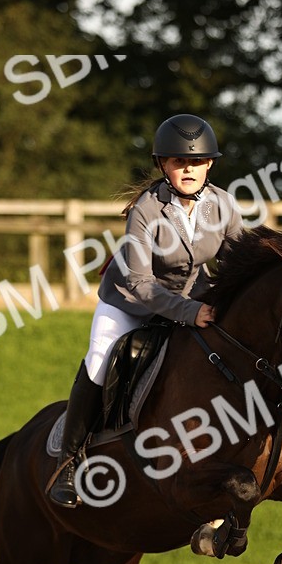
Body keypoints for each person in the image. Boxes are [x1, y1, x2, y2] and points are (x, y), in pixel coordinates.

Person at [48, 113, 244, 507]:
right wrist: (189, 312)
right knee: (100, 360)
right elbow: (140, 282)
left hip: (193, 301)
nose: (187, 169)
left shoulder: (223, 204)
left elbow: (239, 262)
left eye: (195, 162)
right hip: (130, 301)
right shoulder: (147, 209)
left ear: (209, 164)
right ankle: (68, 462)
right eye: (178, 161)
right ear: (162, 165)